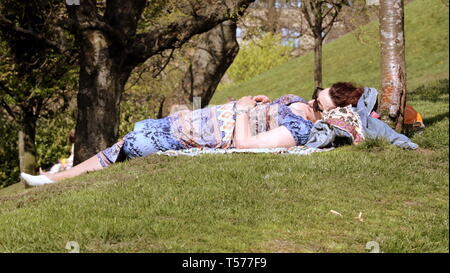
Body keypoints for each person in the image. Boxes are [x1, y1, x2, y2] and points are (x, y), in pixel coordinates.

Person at [20, 82, 363, 187]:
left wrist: (243, 108)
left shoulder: (299, 128)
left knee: (131, 142)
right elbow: (265, 111)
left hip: (200, 135)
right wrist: (260, 102)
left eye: (321, 94)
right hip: (197, 120)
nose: (313, 93)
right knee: (127, 139)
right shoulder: (296, 106)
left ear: (329, 109)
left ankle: (58, 179)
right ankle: (60, 177)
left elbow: (246, 145)